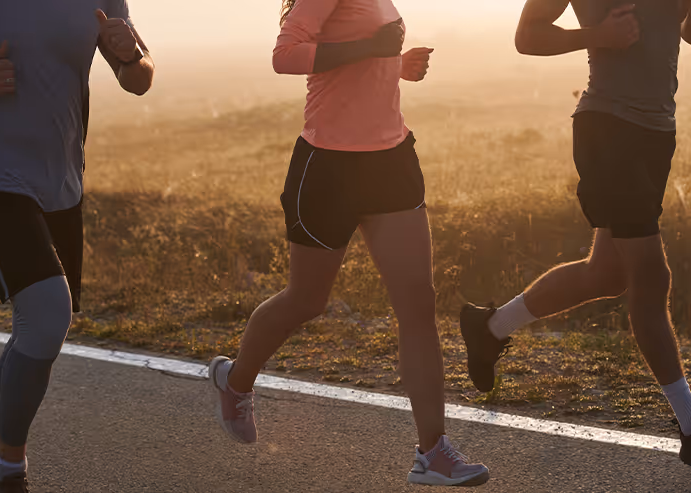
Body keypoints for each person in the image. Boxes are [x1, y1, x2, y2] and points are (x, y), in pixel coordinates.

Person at [460, 0, 691, 477]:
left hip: (657, 131)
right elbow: (527, 36)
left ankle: (490, 327)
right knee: (649, 273)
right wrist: (595, 36)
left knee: (607, 273)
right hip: (608, 129)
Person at [208, 0, 489, 486]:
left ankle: (433, 453)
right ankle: (235, 381)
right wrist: (369, 48)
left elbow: (360, 64)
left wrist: (394, 66)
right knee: (307, 299)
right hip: (328, 168)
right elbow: (286, 55)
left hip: (390, 162)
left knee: (418, 307)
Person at [0, 3, 154, 491]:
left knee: (37, 323)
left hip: (61, 180)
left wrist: (131, 55)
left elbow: (139, 78)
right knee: (49, 313)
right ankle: (11, 471)